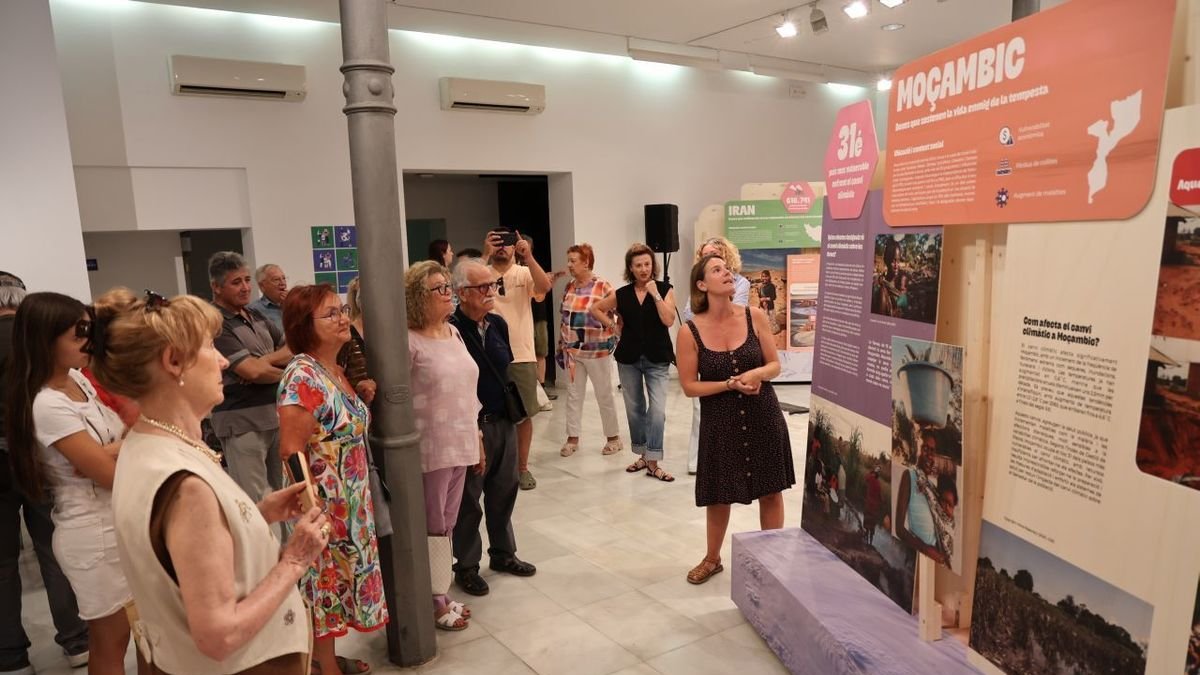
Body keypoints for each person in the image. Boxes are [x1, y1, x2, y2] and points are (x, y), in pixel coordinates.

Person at [90, 288, 328, 675]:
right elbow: (219, 635)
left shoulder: (145, 443)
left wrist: (255, 515)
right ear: (173, 361)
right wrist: (295, 559)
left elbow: (178, 550)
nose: (221, 361)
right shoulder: (185, 484)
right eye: (209, 347)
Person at [3, 292, 141, 674]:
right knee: (111, 641)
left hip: (114, 519)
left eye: (88, 329)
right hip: (91, 530)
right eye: (78, 333)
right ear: (45, 339)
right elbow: (107, 472)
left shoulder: (79, 379)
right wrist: (121, 449)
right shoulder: (46, 403)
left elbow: (118, 442)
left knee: (139, 631)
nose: (88, 341)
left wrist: (111, 449)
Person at [278, 285, 386, 675]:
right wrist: (312, 513)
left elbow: (336, 426)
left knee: (339, 586)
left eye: (342, 310)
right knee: (322, 588)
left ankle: (325, 661)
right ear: (304, 326)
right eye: (331, 314)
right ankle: (321, 666)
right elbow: (291, 451)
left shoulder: (333, 368)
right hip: (324, 506)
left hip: (351, 503)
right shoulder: (302, 374)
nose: (343, 318)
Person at [676, 255, 795, 585]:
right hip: (720, 420)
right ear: (702, 285)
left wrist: (755, 373)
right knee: (718, 495)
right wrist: (728, 384)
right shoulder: (689, 332)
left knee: (771, 490)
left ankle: (772, 560)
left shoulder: (754, 315)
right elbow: (689, 386)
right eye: (716, 270)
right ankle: (712, 559)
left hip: (763, 414)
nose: (726, 273)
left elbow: (774, 366)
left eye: (727, 268)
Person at [0, 273, 90, 675]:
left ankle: (11, 656)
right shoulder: (33, 344)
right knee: (53, 548)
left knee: (2, 565)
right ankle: (75, 641)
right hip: (42, 455)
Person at [449, 259, 537, 597]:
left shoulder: (497, 324)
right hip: (473, 427)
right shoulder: (452, 329)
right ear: (462, 293)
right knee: (470, 501)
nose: (491, 292)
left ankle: (503, 554)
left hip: (503, 422)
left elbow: (505, 367)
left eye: (493, 285)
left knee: (504, 491)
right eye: (483, 287)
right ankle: (467, 566)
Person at [405, 261, 482, 631]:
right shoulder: (409, 339)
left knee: (449, 523)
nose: (448, 292)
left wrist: (478, 435)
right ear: (419, 297)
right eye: (439, 288)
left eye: (448, 285)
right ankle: (434, 599)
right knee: (433, 524)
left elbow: (469, 388)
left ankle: (441, 590)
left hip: (462, 439)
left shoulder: (453, 332)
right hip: (431, 445)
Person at [208, 252, 292, 502]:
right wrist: (260, 368)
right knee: (257, 503)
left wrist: (262, 362)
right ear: (216, 287)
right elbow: (251, 372)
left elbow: (291, 348)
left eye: (247, 280)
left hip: (274, 417)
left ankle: (288, 544)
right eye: (236, 282)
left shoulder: (255, 316)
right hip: (241, 422)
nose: (245, 288)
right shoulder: (215, 323)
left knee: (284, 497)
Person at [589, 243, 675, 481]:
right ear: (631, 268)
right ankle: (643, 454)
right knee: (635, 409)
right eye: (638, 265)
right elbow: (596, 308)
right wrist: (613, 326)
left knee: (657, 410)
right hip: (628, 357)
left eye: (647, 264)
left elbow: (668, 320)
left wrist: (654, 293)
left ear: (653, 266)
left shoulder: (665, 289)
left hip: (657, 357)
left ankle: (654, 460)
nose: (644, 269)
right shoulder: (622, 293)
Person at [484, 229, 551, 491]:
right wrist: (484, 253)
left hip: (521, 354)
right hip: (486, 354)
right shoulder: (483, 272)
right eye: (497, 242)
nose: (502, 247)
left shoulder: (524, 272)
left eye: (507, 243)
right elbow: (462, 287)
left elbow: (544, 287)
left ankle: (522, 468)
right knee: (488, 414)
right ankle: (490, 466)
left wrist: (529, 255)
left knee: (523, 415)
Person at [682, 237, 751, 476]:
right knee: (700, 410)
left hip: (734, 347)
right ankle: (697, 461)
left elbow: (736, 309)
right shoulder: (697, 287)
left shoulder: (739, 282)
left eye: (714, 254)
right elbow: (689, 314)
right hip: (705, 348)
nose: (708, 257)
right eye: (705, 255)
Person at [556, 243, 621, 458]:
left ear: (586, 262)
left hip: (598, 352)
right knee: (573, 395)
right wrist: (561, 344)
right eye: (569, 260)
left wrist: (615, 333)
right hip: (573, 352)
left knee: (604, 395)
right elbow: (564, 318)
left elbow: (618, 314)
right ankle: (572, 438)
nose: (569, 265)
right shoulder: (569, 287)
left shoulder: (603, 286)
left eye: (573, 261)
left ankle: (613, 438)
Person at [895, 430, 952, 567]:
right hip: (917, 556)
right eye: (925, 449)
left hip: (936, 557)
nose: (929, 456)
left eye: (932, 451)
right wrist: (927, 550)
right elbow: (899, 529)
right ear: (917, 449)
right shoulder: (909, 476)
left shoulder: (931, 487)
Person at [874, 238, 909, 318]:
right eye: (893, 261)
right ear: (887, 260)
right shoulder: (882, 292)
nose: (897, 265)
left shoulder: (900, 282)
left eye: (898, 261)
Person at [249, 264, 289, 331]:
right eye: (276, 279)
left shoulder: (295, 305)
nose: (282, 283)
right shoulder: (253, 310)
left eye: (284, 278)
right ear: (262, 286)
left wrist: (292, 305)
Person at [863, 468, 882, 544]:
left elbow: (866, 478)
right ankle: (870, 543)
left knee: (867, 525)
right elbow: (880, 497)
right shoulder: (879, 484)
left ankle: (866, 539)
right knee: (872, 527)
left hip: (868, 506)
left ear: (874, 474)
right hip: (874, 509)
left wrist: (871, 471)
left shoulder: (871, 478)